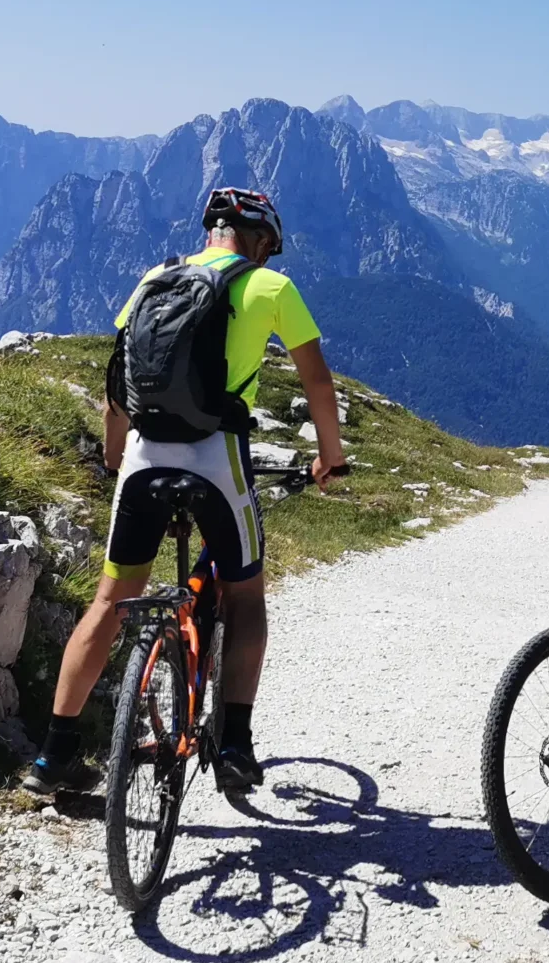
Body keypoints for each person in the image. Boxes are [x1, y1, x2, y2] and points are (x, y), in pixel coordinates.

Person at [20, 186, 346, 799]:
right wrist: (330, 457)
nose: (268, 261)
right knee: (245, 597)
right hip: (217, 458)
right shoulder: (268, 288)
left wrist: (116, 453)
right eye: (267, 250)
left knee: (110, 602)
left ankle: (53, 755)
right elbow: (318, 380)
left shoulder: (153, 279)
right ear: (258, 240)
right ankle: (234, 744)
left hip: (143, 458)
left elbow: (119, 379)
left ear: (211, 232)